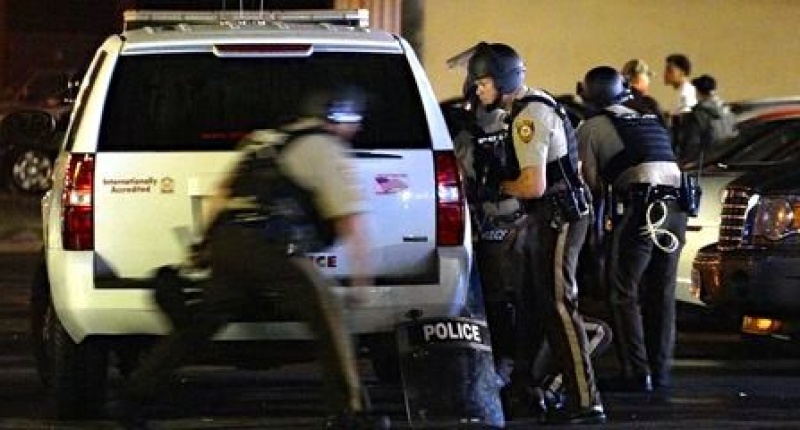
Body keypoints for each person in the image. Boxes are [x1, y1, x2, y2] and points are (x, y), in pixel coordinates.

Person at [112, 86, 390, 430]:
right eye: (353, 120)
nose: (356, 129)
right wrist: (363, 282)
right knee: (328, 313)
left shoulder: (264, 139)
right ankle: (352, 413)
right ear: (335, 117)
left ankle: (133, 397)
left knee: (200, 325)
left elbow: (220, 194)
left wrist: (202, 250)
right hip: (264, 244)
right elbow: (350, 221)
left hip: (226, 241)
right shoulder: (324, 147)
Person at [465, 42, 606, 425]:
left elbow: (532, 186)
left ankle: (585, 400)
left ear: (501, 80)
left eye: (482, 83)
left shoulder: (529, 116)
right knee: (532, 302)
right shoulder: (526, 107)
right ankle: (532, 389)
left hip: (558, 213)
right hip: (547, 215)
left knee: (558, 305)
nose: (477, 90)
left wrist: (494, 188)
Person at [577, 66, 688, 393]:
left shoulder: (593, 126)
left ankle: (636, 372)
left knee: (622, 290)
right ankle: (660, 368)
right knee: (661, 290)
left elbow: (591, 185)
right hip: (677, 207)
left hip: (642, 208)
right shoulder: (648, 120)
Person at [674, 74, 736, 166]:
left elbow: (691, 144)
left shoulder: (697, 114)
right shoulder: (728, 112)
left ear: (697, 91)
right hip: (728, 162)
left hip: (704, 165)